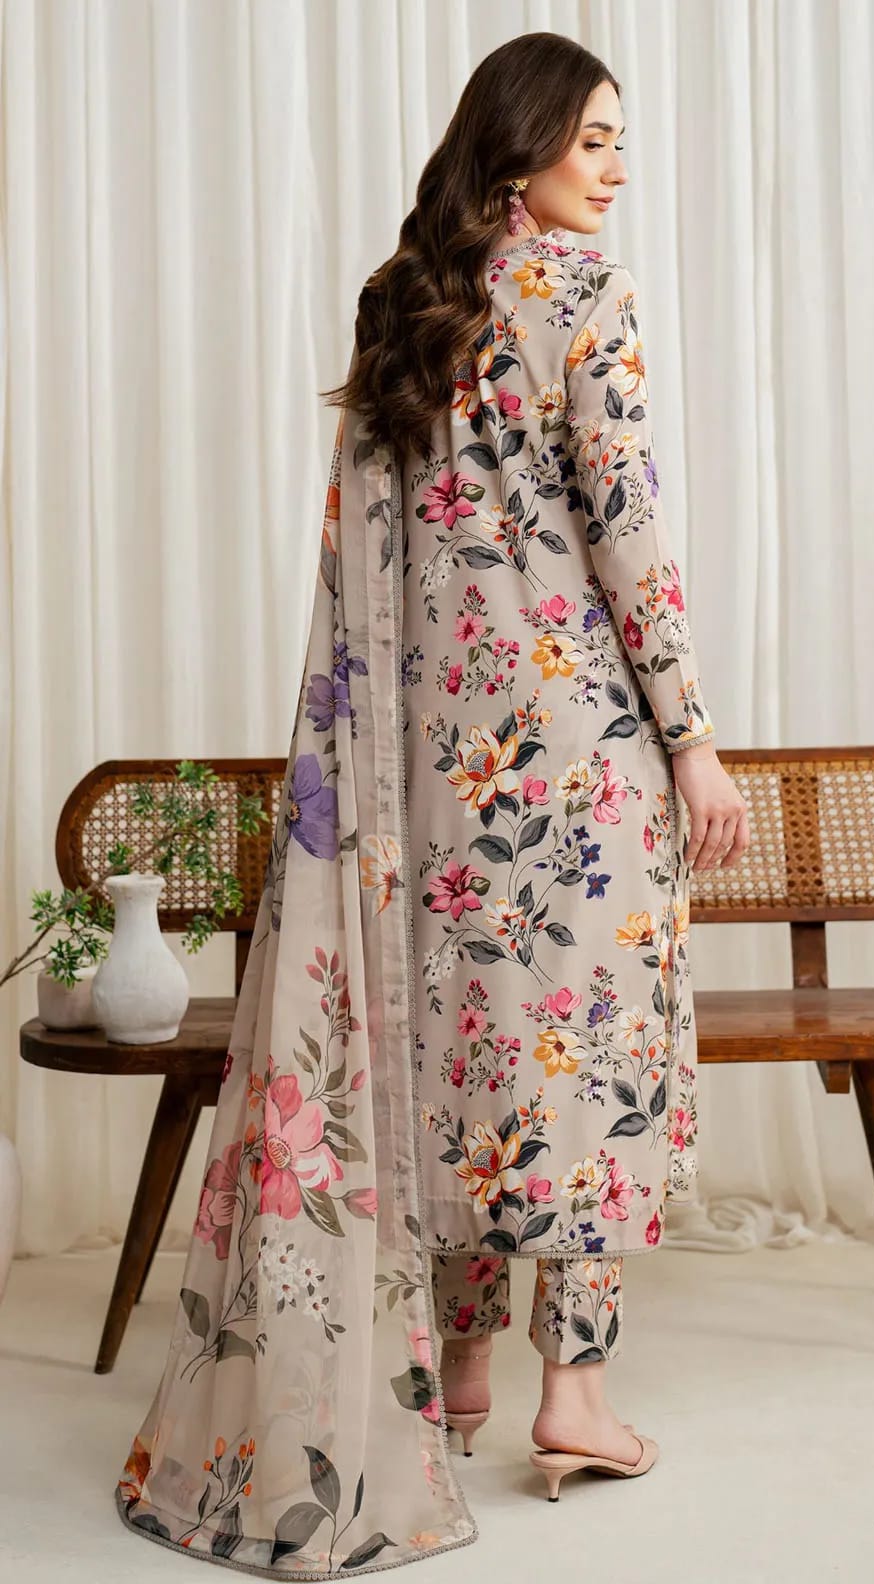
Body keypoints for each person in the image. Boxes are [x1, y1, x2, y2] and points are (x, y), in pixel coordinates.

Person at [115, 30, 748, 1574]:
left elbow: (365, 560)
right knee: (588, 1055)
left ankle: (453, 1374)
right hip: (579, 755)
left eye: (619, 140)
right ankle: (573, 1391)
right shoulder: (587, 297)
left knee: (455, 1049)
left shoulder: (402, 303)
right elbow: (624, 530)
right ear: (521, 143)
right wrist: (690, 735)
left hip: (431, 770)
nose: (615, 167)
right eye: (594, 139)